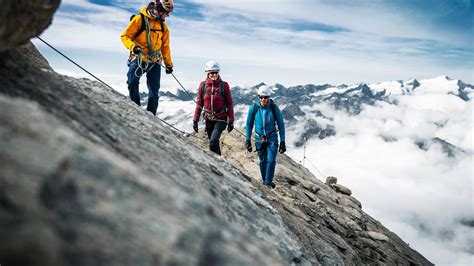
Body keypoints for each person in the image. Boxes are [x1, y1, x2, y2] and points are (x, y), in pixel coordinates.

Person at [120, 0, 174, 116]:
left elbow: (165, 47)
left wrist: (169, 64)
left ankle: (151, 116)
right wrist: (133, 47)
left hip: (155, 61)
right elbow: (125, 36)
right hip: (139, 57)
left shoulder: (163, 27)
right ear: (159, 10)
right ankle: (136, 110)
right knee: (132, 82)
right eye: (166, 12)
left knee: (154, 91)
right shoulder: (139, 19)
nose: (168, 15)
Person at [245, 85, 286, 188]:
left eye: (265, 97)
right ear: (258, 96)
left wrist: (282, 141)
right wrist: (248, 140)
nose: (263, 99)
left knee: (271, 161)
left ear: (269, 97)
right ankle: (265, 181)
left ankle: (267, 183)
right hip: (259, 138)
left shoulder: (274, 108)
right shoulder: (253, 108)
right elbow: (249, 124)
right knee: (263, 161)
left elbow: (281, 124)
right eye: (261, 97)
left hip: (272, 137)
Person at [193, 61, 235, 155]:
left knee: (213, 140)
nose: (214, 74)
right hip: (208, 119)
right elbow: (199, 103)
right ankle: (219, 162)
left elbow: (229, 103)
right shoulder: (203, 85)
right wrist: (195, 120)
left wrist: (231, 120)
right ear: (208, 73)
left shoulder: (224, 85)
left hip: (221, 118)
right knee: (213, 144)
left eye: (216, 72)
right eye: (212, 72)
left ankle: (218, 163)